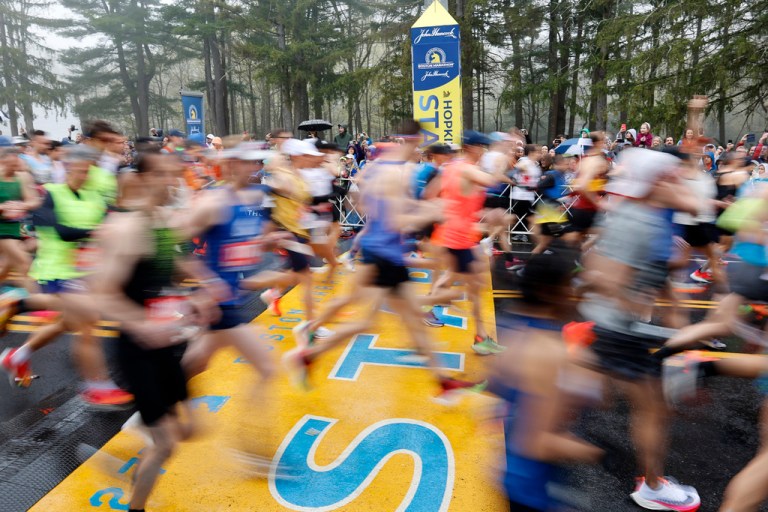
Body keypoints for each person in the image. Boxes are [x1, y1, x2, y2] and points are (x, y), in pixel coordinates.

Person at [286, 121, 484, 402]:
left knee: (407, 321)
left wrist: (418, 210)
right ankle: (307, 354)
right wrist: (432, 212)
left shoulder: (376, 169)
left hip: (378, 251)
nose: (419, 151)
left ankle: (443, 381)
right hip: (384, 256)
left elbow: (367, 204)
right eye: (417, 145)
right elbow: (395, 220)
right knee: (369, 321)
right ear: (410, 142)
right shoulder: (394, 174)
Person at [89, 149, 217, 512]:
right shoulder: (127, 230)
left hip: (166, 341)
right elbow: (103, 293)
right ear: (142, 179)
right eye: (161, 173)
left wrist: (199, 292)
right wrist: (141, 324)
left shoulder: (162, 220)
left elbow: (171, 265)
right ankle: (137, 505)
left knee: (189, 430)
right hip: (137, 348)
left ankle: (138, 462)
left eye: (173, 172)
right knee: (165, 443)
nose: (171, 179)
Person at [575, 148, 701, 511]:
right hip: (621, 330)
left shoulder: (644, 213)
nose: (679, 180)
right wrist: (628, 303)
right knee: (654, 411)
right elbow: (600, 269)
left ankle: (570, 369)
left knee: (647, 405)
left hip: (613, 326)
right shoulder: (641, 220)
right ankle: (652, 487)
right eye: (671, 176)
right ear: (655, 182)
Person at [0, 145, 133, 405]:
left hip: (87, 271)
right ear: (68, 167)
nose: (83, 175)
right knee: (87, 322)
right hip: (57, 271)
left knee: (65, 323)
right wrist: (95, 232)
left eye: (88, 171)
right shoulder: (51, 194)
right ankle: (98, 386)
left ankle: (16, 352)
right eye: (80, 170)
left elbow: (114, 221)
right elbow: (62, 231)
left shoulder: (94, 198)